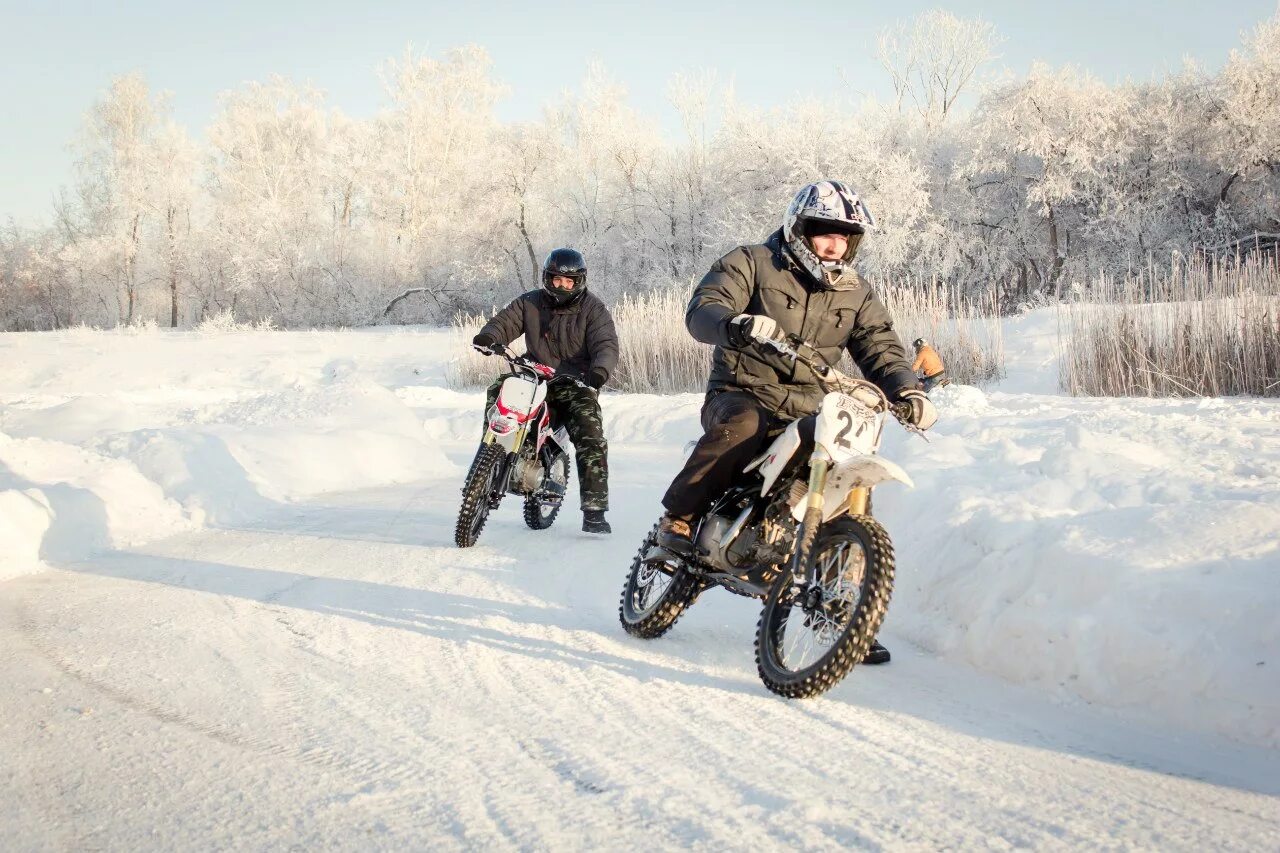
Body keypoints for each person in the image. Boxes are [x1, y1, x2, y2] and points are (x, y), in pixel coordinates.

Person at [656, 180, 938, 664]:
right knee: (741, 430)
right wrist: (735, 324)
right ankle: (679, 518)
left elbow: (880, 346)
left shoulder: (855, 292)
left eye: (845, 237)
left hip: (813, 404)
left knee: (848, 479)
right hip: (743, 391)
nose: (835, 245)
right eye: (825, 232)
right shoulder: (752, 262)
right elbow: (704, 308)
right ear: (800, 228)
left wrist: (906, 388)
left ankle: (841, 609)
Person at [472, 248, 618, 535]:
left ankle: (594, 508)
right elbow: (504, 322)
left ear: (579, 281)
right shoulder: (530, 303)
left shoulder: (594, 309)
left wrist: (599, 371)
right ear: (547, 278)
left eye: (569, 281)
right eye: (556, 279)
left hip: (574, 383)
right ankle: (488, 461)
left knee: (591, 433)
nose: (562, 286)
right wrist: (489, 337)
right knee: (498, 390)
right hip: (533, 375)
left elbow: (606, 345)